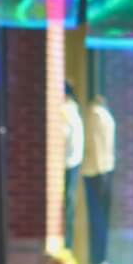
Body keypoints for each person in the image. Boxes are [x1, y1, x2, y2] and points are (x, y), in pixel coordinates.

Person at [83, 94, 118, 264]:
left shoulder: (97, 114)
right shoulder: (96, 114)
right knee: (98, 219)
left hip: (101, 170)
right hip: (98, 170)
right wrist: (99, 169)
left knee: (100, 219)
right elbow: (96, 143)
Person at [61, 81, 85, 249]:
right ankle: (67, 246)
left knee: (67, 208)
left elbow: (64, 136)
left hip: (67, 163)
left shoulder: (66, 112)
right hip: (73, 162)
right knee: (69, 208)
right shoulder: (74, 111)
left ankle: (66, 247)